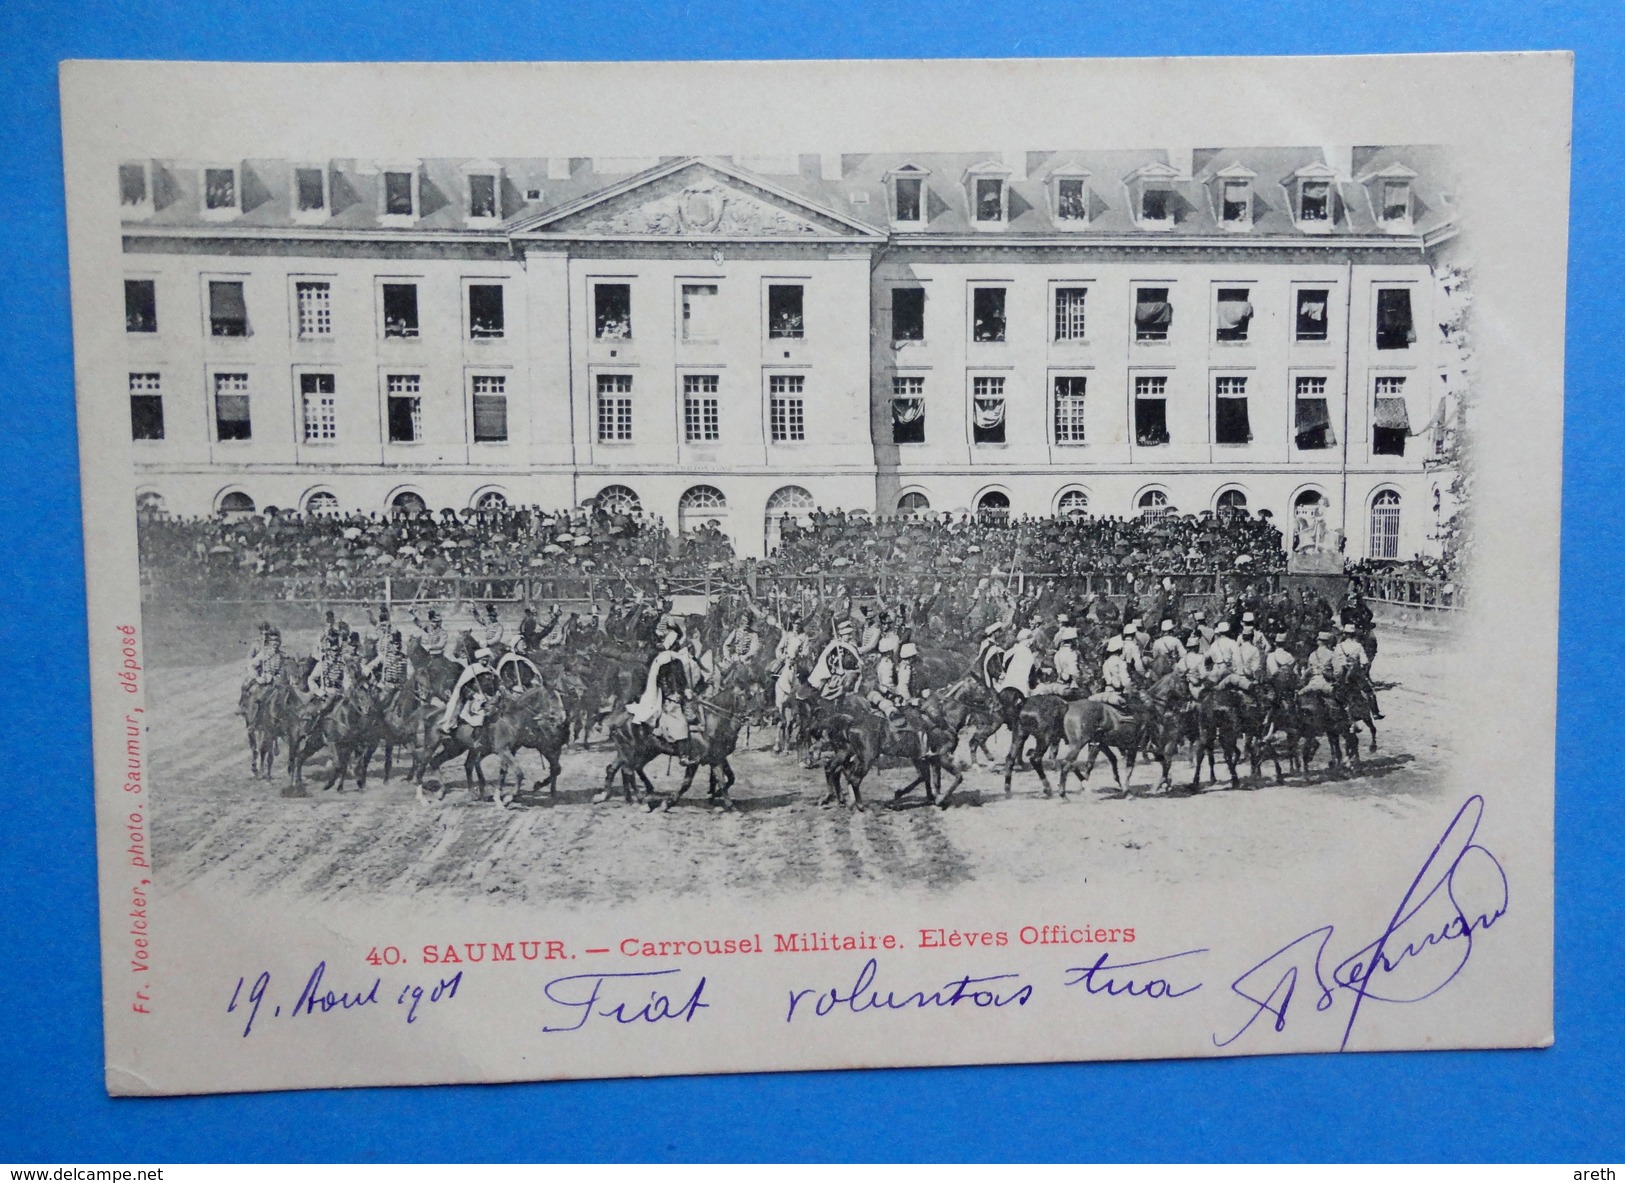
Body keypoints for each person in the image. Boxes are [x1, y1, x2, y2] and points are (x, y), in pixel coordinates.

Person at [627, 626, 702, 756]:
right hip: (667, 698)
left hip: (678, 695)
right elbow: (661, 681)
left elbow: (682, 679)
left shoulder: (677, 660)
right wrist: (672, 694)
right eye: (675, 645)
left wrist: (686, 690)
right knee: (680, 722)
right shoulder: (662, 661)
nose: (678, 647)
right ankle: (682, 753)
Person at [1335, 621, 1383, 718]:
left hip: (1341, 673)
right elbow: (1364, 662)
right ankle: (1375, 713)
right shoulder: (1358, 646)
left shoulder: (1338, 647)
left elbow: (1335, 660)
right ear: (1354, 634)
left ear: (1344, 634)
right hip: (1354, 674)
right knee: (1369, 691)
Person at [808, 619, 863, 700]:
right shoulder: (834, 645)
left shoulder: (852, 645)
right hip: (835, 673)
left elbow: (857, 662)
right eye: (848, 634)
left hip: (849, 672)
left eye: (850, 634)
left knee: (848, 683)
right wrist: (836, 661)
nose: (850, 636)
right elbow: (825, 659)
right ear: (841, 635)